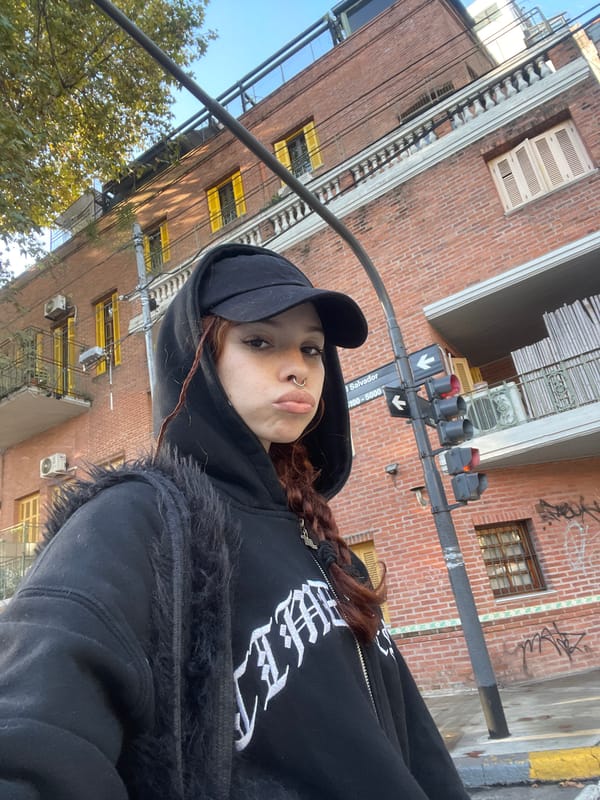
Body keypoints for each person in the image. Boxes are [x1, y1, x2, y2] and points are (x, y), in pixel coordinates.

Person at [0, 243, 469, 800]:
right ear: (198, 357)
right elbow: (30, 738)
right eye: (259, 340)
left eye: (313, 348)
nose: (297, 366)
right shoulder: (138, 521)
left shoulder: (324, 542)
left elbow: (413, 744)